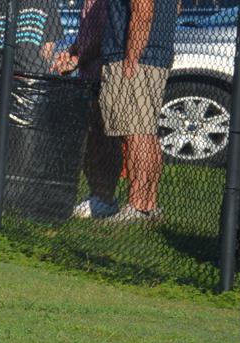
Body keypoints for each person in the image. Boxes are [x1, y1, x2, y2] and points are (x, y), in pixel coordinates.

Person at [57, 0, 173, 222]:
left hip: (135, 58)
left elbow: (143, 10)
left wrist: (130, 59)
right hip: (144, 56)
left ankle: (139, 206)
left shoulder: (133, 58)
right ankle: (145, 206)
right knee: (142, 131)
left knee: (137, 132)